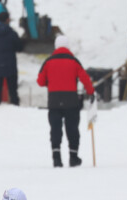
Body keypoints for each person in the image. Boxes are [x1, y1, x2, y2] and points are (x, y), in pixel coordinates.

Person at [37, 35, 95, 168]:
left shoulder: (48, 61)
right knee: (72, 129)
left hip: (54, 101)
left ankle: (56, 159)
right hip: (71, 101)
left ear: (56, 46)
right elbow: (85, 79)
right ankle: (73, 157)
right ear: (68, 46)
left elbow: (40, 81)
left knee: (55, 129)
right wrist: (91, 92)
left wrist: (50, 83)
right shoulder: (74, 61)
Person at [0, 10, 23, 106]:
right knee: (13, 92)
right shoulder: (12, 33)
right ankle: (16, 109)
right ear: (7, 20)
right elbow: (19, 47)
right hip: (10, 65)